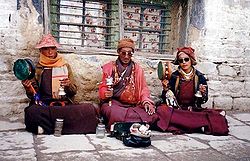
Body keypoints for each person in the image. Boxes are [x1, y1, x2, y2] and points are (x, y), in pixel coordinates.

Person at [22, 34, 98, 135]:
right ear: (41, 51)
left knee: (89, 109)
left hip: (64, 105)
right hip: (46, 106)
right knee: (31, 112)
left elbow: (73, 92)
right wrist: (28, 89)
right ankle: (66, 126)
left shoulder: (65, 66)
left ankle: (47, 128)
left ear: (56, 49)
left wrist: (68, 85)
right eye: (46, 49)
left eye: (52, 48)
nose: (50, 52)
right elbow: (34, 95)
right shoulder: (38, 69)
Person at [156, 47, 229, 135]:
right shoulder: (174, 76)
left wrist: (203, 94)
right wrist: (165, 89)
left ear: (191, 60)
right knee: (161, 111)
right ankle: (197, 125)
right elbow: (165, 99)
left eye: (186, 59)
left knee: (213, 116)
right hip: (178, 110)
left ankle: (189, 123)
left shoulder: (200, 77)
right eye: (181, 60)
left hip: (193, 110)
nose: (184, 62)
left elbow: (203, 100)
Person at [98, 38, 158, 129]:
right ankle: (128, 125)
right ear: (118, 52)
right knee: (113, 112)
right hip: (115, 103)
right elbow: (103, 87)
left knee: (150, 115)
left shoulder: (138, 69)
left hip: (133, 105)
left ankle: (127, 124)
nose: (126, 56)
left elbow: (143, 89)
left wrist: (146, 102)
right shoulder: (110, 67)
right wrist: (106, 93)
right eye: (123, 53)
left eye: (129, 53)